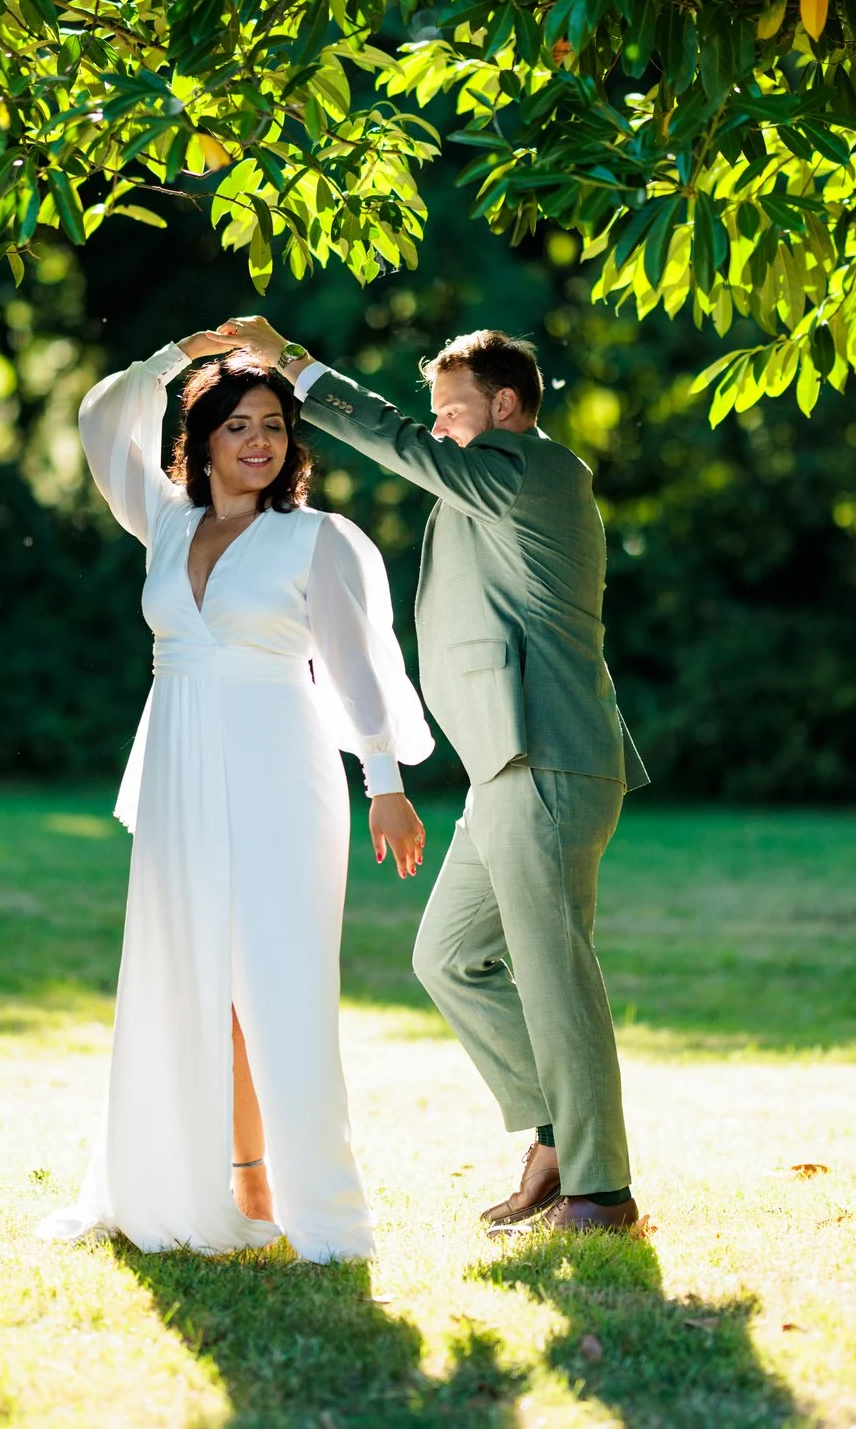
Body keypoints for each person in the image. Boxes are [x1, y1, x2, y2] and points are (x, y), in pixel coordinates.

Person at [225, 317, 650, 1233]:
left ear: (507, 405)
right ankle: (556, 1136)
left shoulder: (530, 468)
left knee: (554, 971)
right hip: (504, 766)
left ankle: (602, 1193)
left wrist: (297, 366)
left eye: (453, 410)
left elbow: (399, 442)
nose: (440, 426)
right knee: (448, 956)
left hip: (548, 755)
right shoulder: (485, 483)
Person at [37, 330, 432, 1264]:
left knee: (281, 984)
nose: (261, 441)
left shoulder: (313, 539)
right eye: (239, 425)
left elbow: (353, 666)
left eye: (275, 426)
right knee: (188, 979)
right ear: (203, 439)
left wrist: (384, 783)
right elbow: (100, 420)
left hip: (280, 768)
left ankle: (321, 1215)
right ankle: (226, 1185)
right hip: (178, 766)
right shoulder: (165, 520)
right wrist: (181, 352)